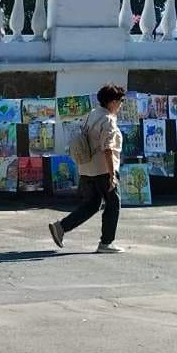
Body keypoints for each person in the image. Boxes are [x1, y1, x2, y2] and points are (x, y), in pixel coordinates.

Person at [49, 83, 126, 254]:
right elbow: (108, 148)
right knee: (113, 204)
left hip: (86, 168)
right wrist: (112, 175)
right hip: (103, 169)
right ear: (112, 102)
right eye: (120, 101)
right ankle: (106, 242)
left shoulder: (92, 114)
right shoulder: (108, 120)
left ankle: (61, 227)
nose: (121, 105)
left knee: (92, 204)